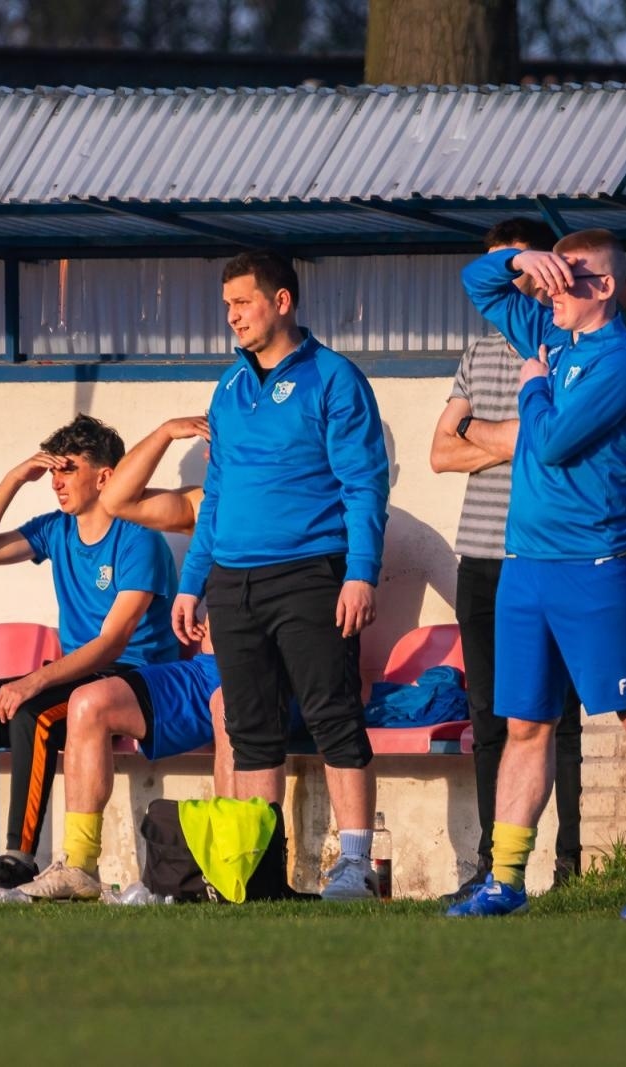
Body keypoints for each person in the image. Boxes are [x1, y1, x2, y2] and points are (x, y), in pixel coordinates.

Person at [446, 228, 626, 920]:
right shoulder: (550, 332)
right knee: (525, 726)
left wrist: (532, 384)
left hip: (595, 566)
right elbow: (476, 282)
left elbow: (549, 442)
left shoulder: (625, 362)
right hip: (525, 568)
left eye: (569, 275)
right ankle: (505, 879)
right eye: (550, 275)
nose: (551, 288)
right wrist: (523, 259)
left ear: (604, 287)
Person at [0, 414, 179, 895]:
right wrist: (14, 479)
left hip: (131, 679)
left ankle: (18, 861)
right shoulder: (55, 530)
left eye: (68, 469)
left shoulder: (139, 537)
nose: (56, 481)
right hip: (79, 677)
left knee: (32, 713)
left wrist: (33, 681)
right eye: (53, 471)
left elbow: (113, 643)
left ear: (104, 477)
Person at [172, 250, 390, 902]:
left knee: (333, 717)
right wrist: (191, 581)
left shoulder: (335, 378)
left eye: (243, 303)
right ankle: (263, 873)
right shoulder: (228, 388)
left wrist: (362, 573)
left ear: (282, 301)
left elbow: (364, 484)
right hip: (232, 583)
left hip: (311, 575)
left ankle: (355, 866)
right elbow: (215, 494)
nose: (232, 317)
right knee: (250, 732)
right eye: (227, 306)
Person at [431, 217, 586, 903]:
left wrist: (481, 432)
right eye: (500, 267)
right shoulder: (478, 350)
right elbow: (440, 452)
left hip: (549, 555)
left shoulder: (566, 342)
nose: (507, 278)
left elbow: (557, 440)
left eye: (516, 265)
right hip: (481, 558)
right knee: (490, 715)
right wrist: (516, 438)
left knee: (562, 718)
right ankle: (494, 866)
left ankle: (575, 865)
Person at [20, 415, 228, 901]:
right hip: (202, 669)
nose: (212, 452)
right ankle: (79, 865)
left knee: (232, 708)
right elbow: (119, 499)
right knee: (89, 702)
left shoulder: (301, 506)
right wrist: (164, 432)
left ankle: (233, 866)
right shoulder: (208, 503)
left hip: (256, 674)